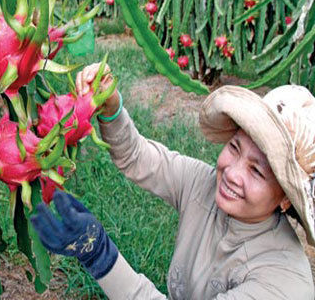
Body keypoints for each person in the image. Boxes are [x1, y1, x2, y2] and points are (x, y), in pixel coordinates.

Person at [30, 63, 315, 299]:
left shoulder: (284, 284)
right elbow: (137, 157)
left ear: (285, 198)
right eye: (235, 147)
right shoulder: (202, 185)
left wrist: (100, 255)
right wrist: (112, 107)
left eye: (257, 171)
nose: (232, 173)